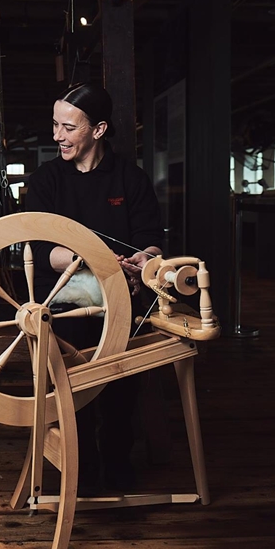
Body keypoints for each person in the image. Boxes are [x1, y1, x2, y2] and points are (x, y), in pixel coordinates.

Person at [24, 82, 163, 493]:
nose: (57, 136)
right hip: (63, 302)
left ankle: (118, 462)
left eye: (68, 127)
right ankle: (80, 466)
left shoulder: (130, 178)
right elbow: (40, 248)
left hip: (121, 298)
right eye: (54, 125)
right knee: (71, 387)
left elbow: (150, 237)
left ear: (99, 130)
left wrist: (144, 260)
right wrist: (95, 259)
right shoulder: (47, 179)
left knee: (120, 386)